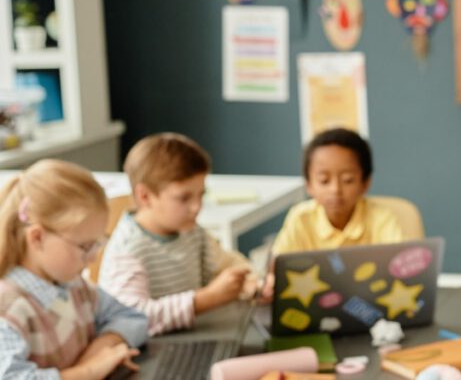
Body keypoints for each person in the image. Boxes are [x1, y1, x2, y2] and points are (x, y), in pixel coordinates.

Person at [0, 159, 148, 379]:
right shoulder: (8, 309)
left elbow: (133, 319)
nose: (94, 257)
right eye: (85, 246)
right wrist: (88, 371)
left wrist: (101, 354)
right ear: (37, 237)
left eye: (98, 242)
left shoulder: (74, 286)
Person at [98, 132, 253, 336]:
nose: (197, 207)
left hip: (192, 337)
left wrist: (252, 282)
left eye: (201, 195)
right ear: (144, 196)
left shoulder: (191, 231)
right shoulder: (128, 250)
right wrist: (205, 299)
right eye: (184, 198)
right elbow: (130, 317)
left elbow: (226, 264)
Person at [271, 127, 405, 256]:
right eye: (324, 180)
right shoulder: (300, 218)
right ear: (309, 184)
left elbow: (401, 263)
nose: (335, 189)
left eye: (348, 180)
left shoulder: (382, 220)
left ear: (365, 183)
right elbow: (277, 266)